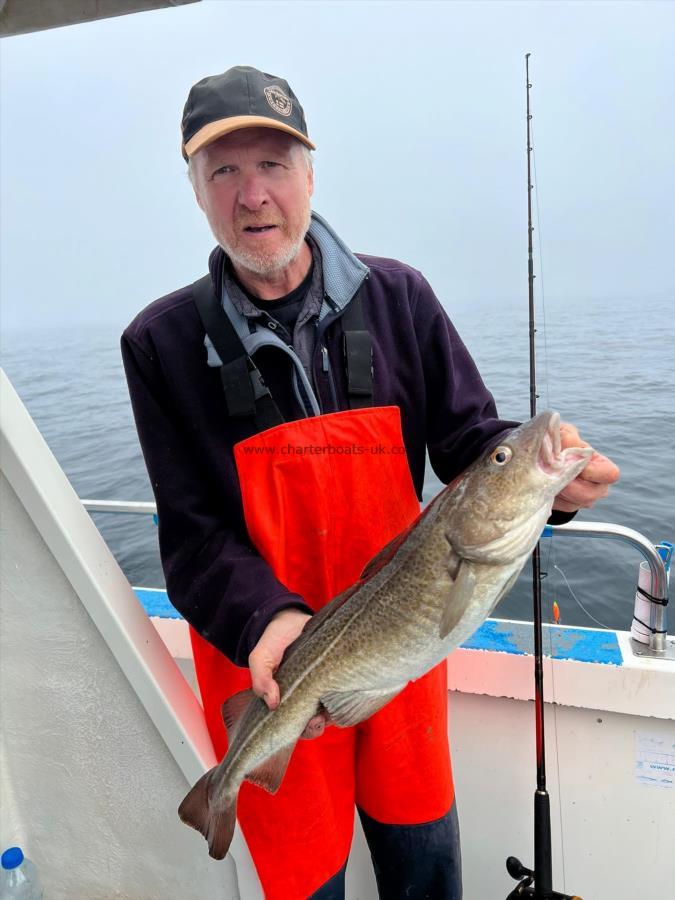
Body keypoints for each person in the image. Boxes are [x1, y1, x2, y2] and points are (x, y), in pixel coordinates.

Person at [121, 66, 619, 900]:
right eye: (224, 172)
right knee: (306, 881)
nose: (253, 196)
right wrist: (268, 623)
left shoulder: (400, 298)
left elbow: (472, 441)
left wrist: (546, 483)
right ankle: (231, 785)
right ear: (196, 192)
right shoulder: (162, 345)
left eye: (273, 165)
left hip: (400, 636)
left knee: (424, 864)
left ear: (310, 174)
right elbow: (194, 534)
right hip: (268, 657)